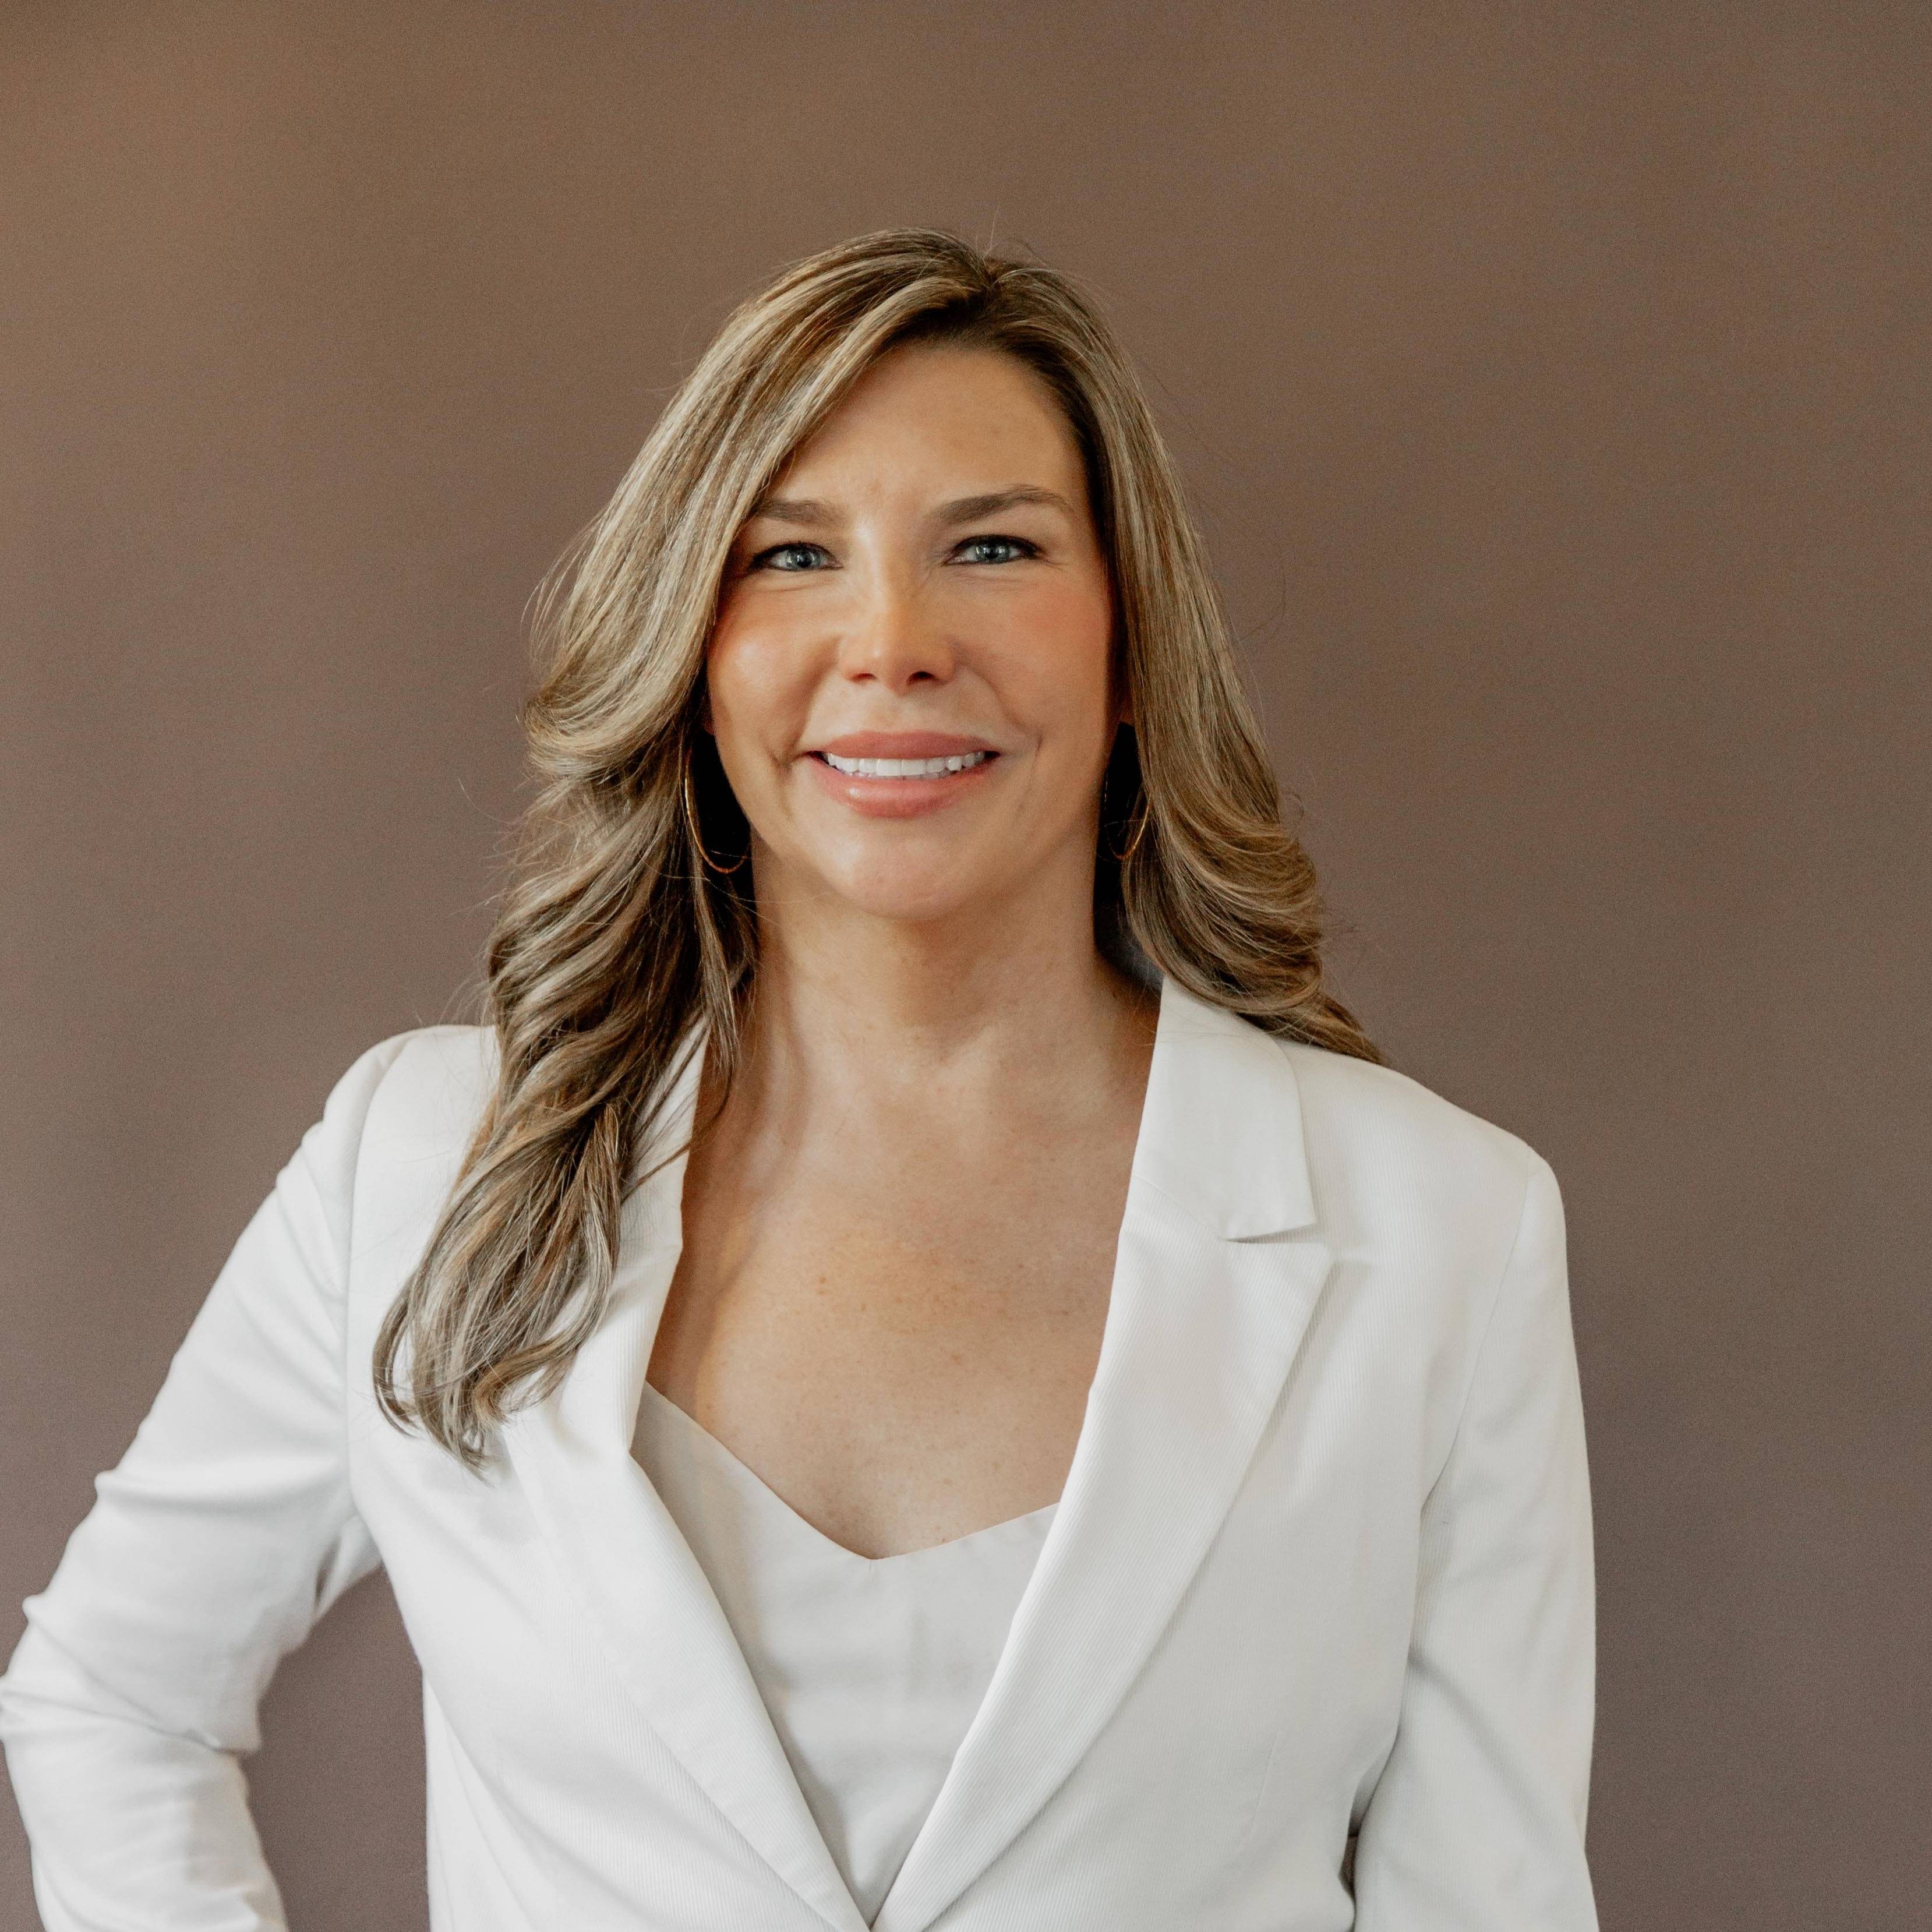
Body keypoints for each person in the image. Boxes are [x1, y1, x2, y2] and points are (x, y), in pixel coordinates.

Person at [0, 228, 1598, 1931]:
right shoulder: (419, 1165)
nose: (893, 641)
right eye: (791, 555)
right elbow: (111, 1698)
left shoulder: (1444, 1230)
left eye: (993, 546)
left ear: (1133, 648)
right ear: (695, 653)